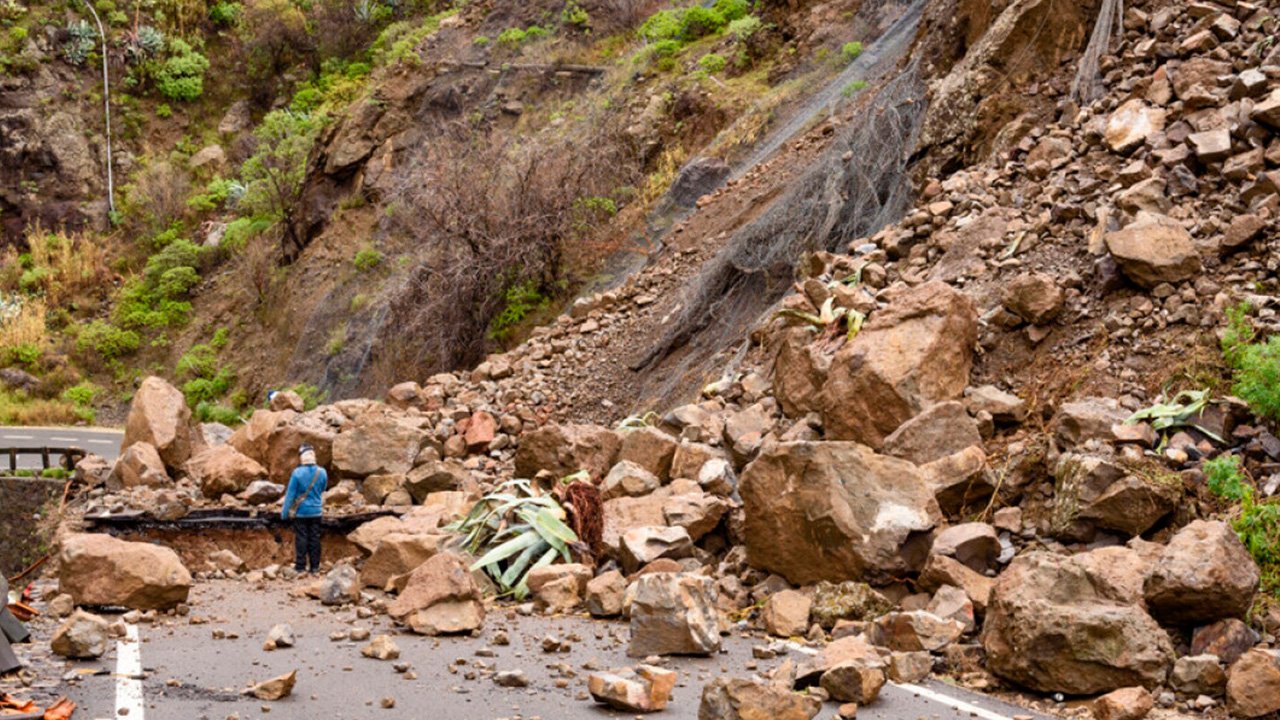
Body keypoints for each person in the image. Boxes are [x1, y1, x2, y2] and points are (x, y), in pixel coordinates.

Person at [281, 444, 327, 575]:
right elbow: (323, 488)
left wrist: (284, 514)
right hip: (316, 511)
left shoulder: (297, 473)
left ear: (302, 458)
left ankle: (300, 566)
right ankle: (315, 567)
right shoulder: (322, 472)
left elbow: (290, 496)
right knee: (315, 538)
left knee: (301, 538)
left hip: (301, 512)